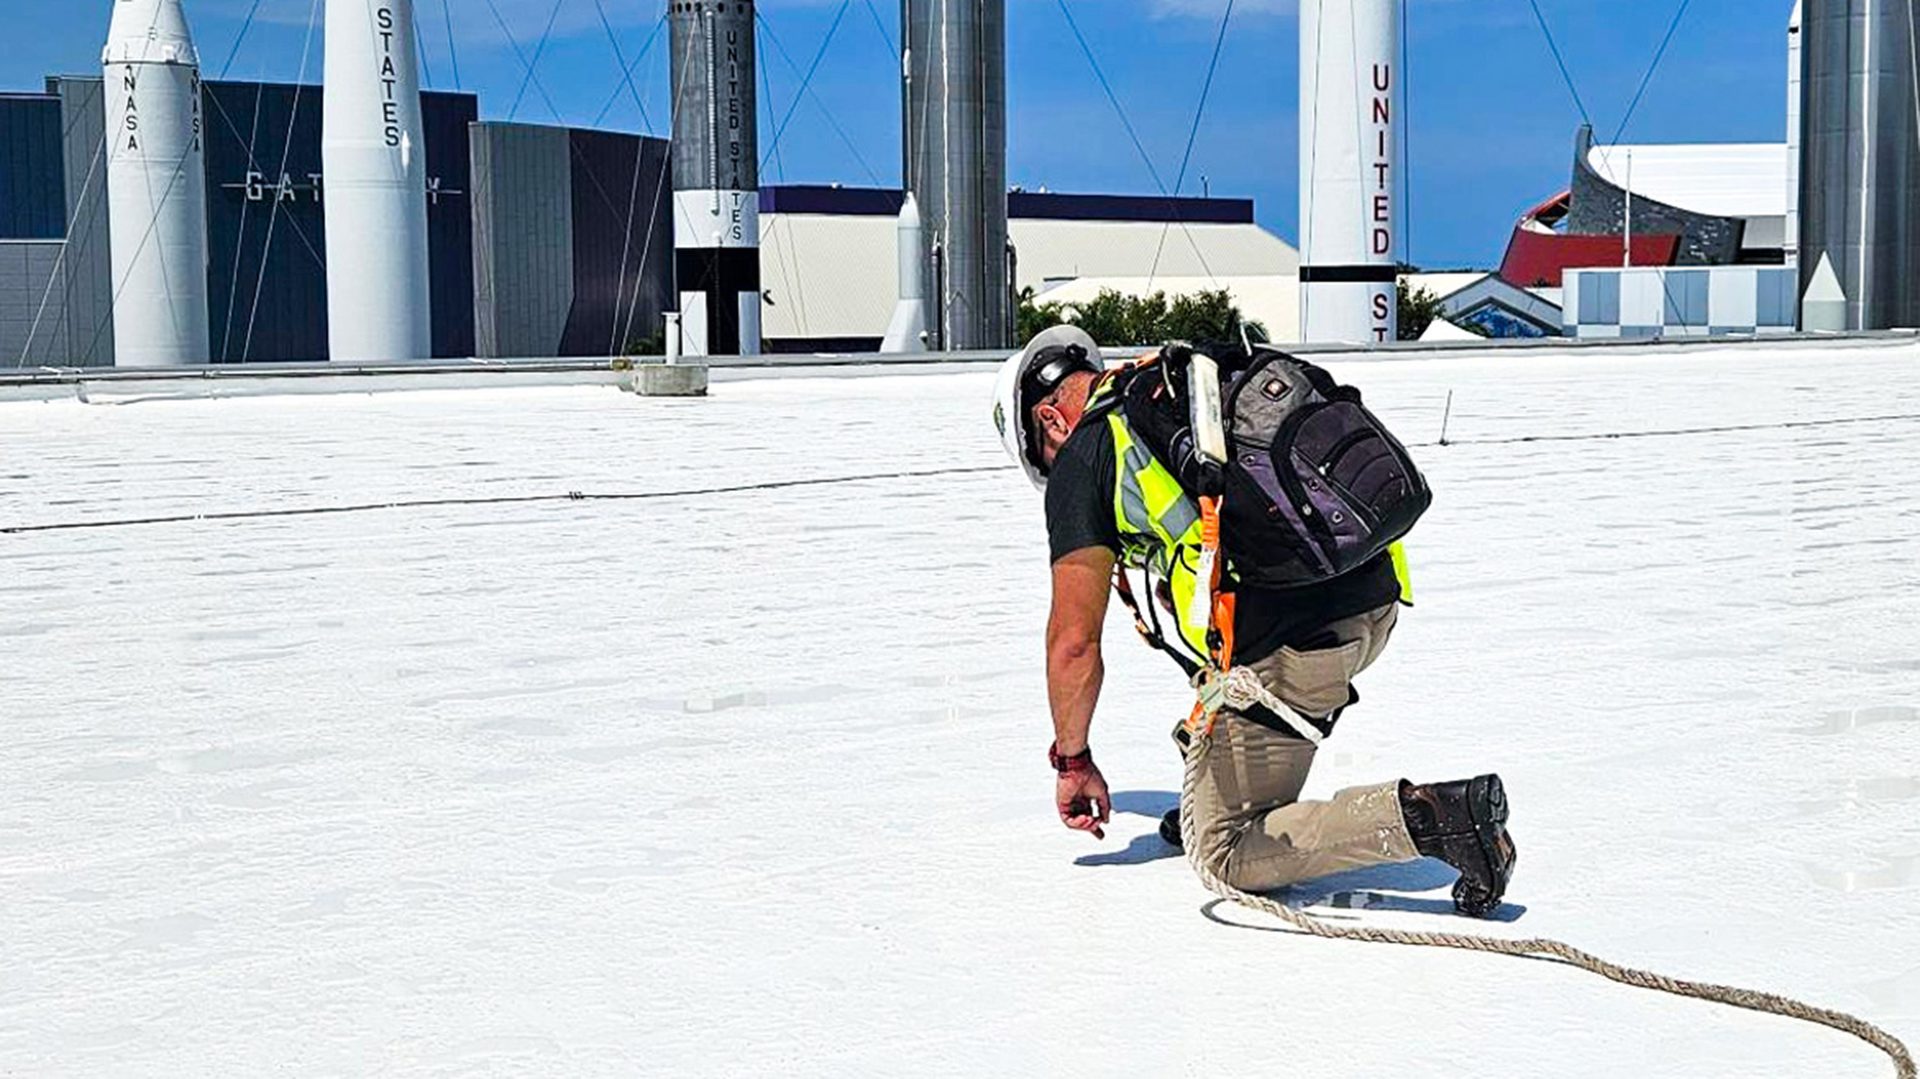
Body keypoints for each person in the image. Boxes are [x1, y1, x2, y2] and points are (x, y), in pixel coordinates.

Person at [992, 325, 1518, 917]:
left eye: (1045, 463)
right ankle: (1220, 783)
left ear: (1050, 422)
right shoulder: (1186, 388)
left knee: (1226, 853)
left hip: (1300, 649)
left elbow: (1073, 645)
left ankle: (1437, 821)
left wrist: (1073, 761)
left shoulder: (1088, 451)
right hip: (1375, 600)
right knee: (1215, 667)